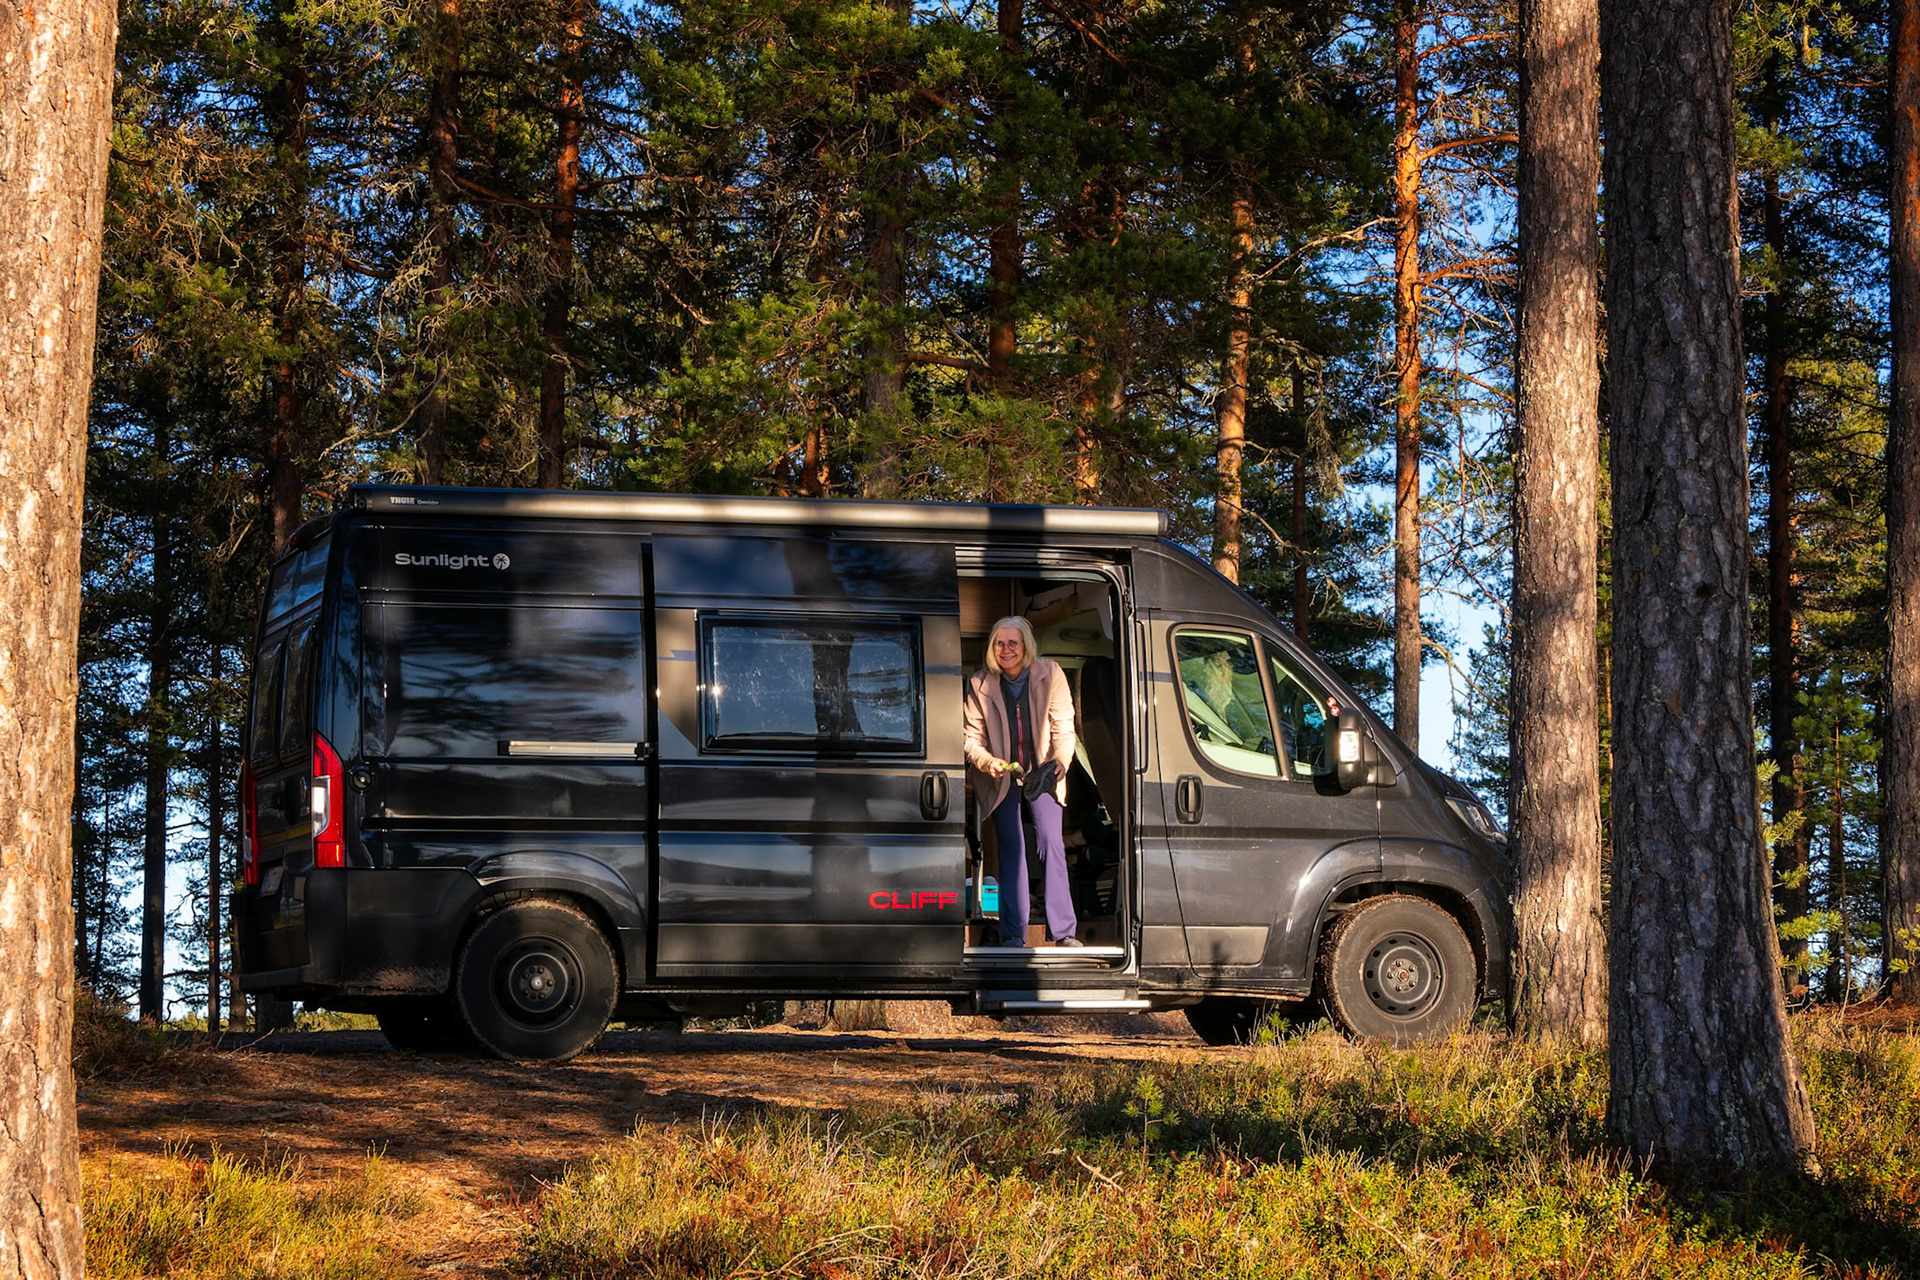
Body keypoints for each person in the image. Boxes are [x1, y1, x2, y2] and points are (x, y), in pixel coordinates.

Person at [964, 616, 1081, 947]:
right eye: (999, 643)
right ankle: (1014, 935)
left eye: (1013, 643)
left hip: (1042, 772)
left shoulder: (1051, 673)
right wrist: (988, 763)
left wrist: (1061, 760)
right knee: (1012, 849)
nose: (1006, 650)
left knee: (1051, 843)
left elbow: (1063, 727)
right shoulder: (979, 683)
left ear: (1026, 645)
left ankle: (1064, 933)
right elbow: (971, 739)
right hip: (1000, 776)